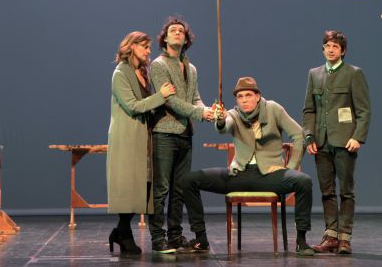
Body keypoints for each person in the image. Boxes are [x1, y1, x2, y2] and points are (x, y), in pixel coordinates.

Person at [180, 77, 315, 256]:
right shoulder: (234, 114)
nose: (244, 100)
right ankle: (201, 239)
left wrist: (290, 167)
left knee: (304, 181)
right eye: (240, 96)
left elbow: (298, 135)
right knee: (189, 180)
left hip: (270, 176)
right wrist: (220, 120)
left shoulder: (273, 109)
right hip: (240, 175)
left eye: (248, 95)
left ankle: (301, 241)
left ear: (257, 96)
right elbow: (224, 126)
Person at [148, 17, 215, 253]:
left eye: (181, 31)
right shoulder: (158, 65)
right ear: (165, 38)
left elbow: (194, 98)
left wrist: (208, 111)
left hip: (186, 134)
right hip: (164, 134)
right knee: (161, 189)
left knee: (179, 189)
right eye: (172, 30)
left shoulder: (191, 68)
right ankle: (158, 238)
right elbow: (170, 101)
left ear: (186, 39)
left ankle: (175, 236)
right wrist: (199, 113)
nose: (177, 33)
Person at [106, 31, 176, 254]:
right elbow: (132, 106)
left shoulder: (143, 72)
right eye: (144, 46)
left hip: (144, 135)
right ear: (132, 46)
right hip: (127, 136)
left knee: (142, 186)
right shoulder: (120, 73)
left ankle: (121, 231)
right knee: (129, 186)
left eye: (148, 47)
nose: (148, 51)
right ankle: (124, 233)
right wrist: (161, 96)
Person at [302, 30, 371, 255]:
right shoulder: (314, 74)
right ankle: (331, 236)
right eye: (327, 46)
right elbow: (309, 110)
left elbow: (363, 110)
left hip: (345, 142)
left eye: (335, 47)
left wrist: (357, 137)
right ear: (323, 49)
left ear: (343, 51)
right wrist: (309, 136)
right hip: (321, 142)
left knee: (346, 191)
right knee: (327, 191)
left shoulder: (353, 73)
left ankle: (345, 238)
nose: (331, 50)